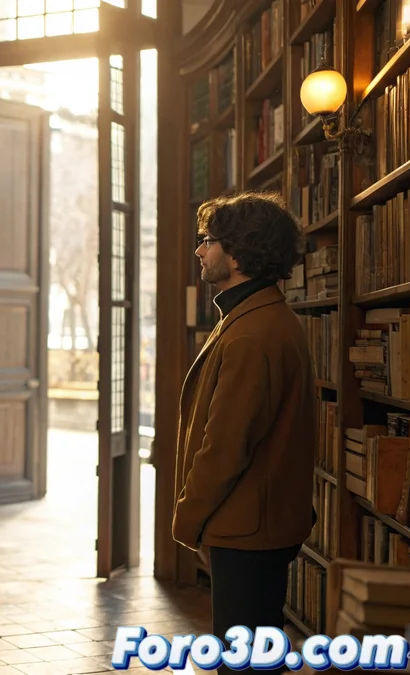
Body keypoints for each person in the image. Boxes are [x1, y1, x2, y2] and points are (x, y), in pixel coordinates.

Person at [171, 191, 315, 672]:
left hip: (248, 529)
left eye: (207, 241)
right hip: (255, 522)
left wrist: (187, 517)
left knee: (243, 660)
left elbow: (225, 445)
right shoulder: (253, 317)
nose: (199, 251)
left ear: (239, 252)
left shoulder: (254, 331)